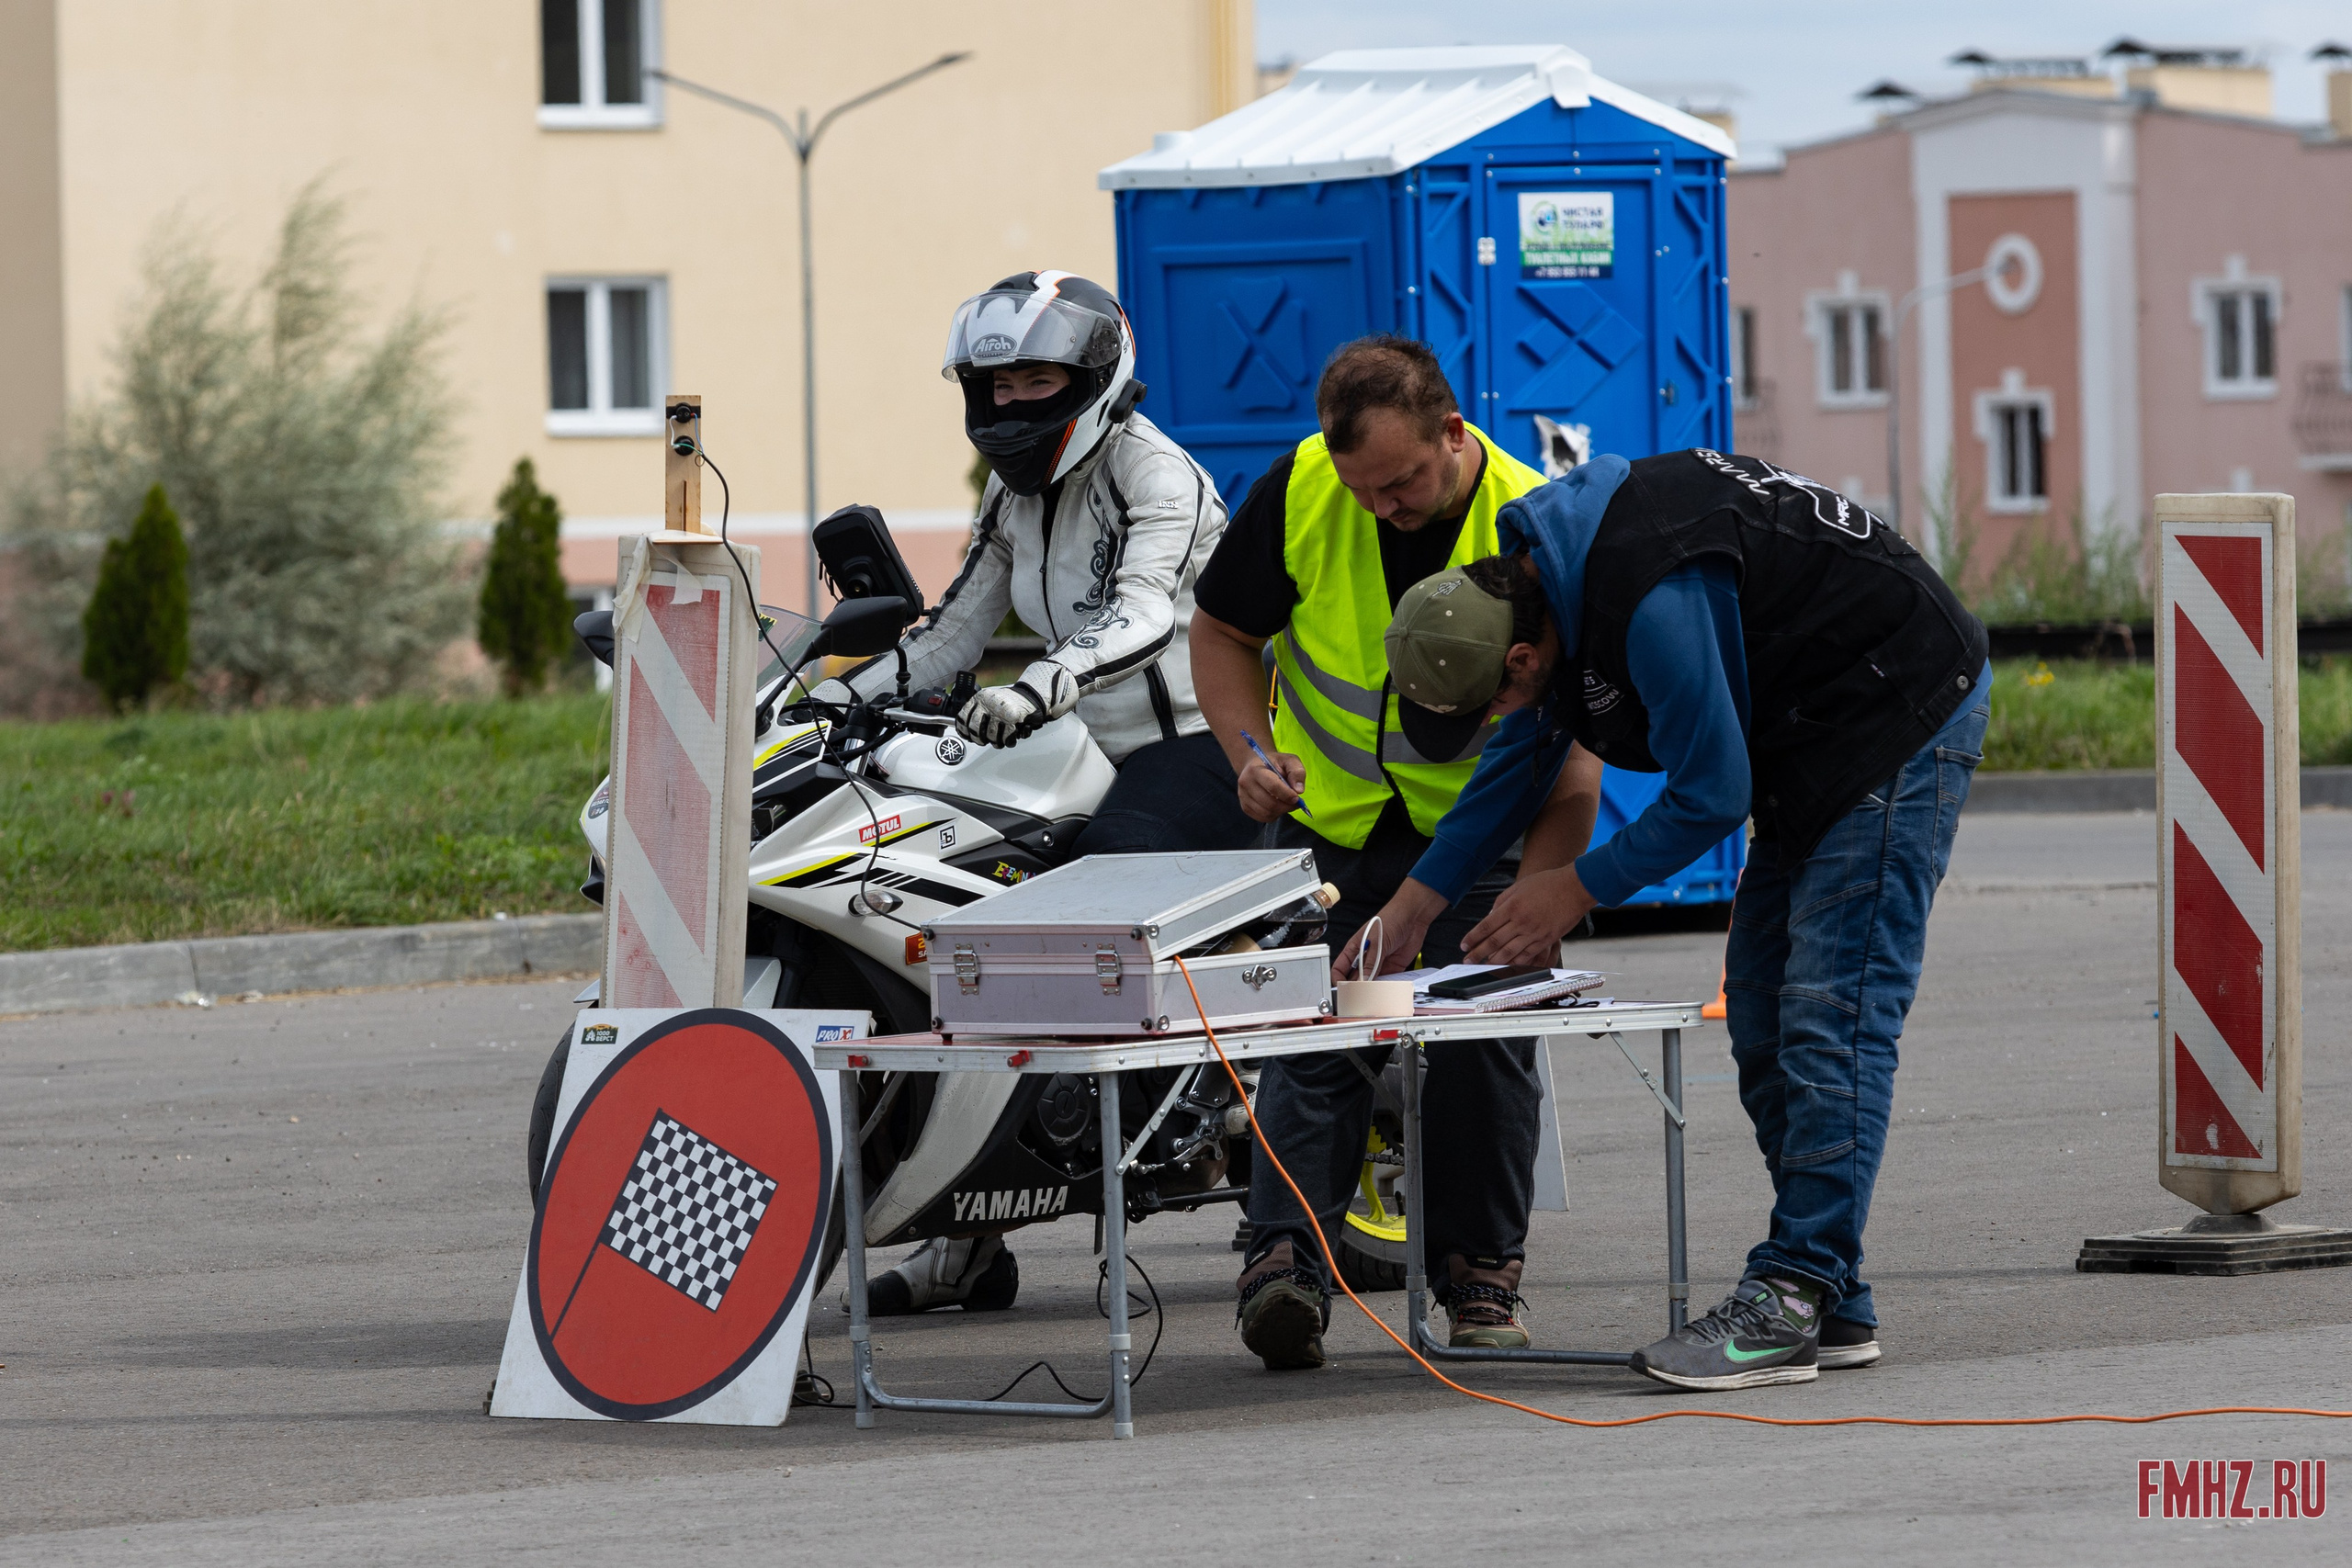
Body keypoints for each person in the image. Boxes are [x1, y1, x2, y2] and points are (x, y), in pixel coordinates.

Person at [1358, 446, 1990, 1391]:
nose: (1495, 720)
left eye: (1492, 700)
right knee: (1766, 1030)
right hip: (1804, 727)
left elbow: (1709, 793)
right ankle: (1833, 1297)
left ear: (1520, 657)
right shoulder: (1537, 586)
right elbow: (1522, 756)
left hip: (1893, 711)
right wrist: (1414, 905)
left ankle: (1793, 1288)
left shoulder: (1645, 592)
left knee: (1830, 1020)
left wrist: (1574, 887)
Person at [836, 269, 1255, 1315]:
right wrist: (819, 702)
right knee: (956, 907)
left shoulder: (1157, 475)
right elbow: (949, 638)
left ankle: (1203, 1125)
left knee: (1060, 923)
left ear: (1096, 376)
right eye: (996, 384)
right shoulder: (1013, 491)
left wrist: (1039, 685)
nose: (1014, 404)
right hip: (1070, 746)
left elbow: (1146, 613)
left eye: (1037, 380)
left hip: (1199, 747)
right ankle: (967, 1238)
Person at [1189, 335, 1606, 1370]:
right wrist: (1250, 751)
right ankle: (1283, 1263)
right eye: (1360, 488)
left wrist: (1549, 887)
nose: (1382, 506)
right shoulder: (1298, 488)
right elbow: (1220, 631)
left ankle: (1478, 1282)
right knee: (1311, 1037)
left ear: (1453, 435)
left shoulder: (1536, 525)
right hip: (1334, 827)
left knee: (1482, 1045)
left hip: (1475, 843)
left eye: (1402, 483)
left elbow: (1574, 767)